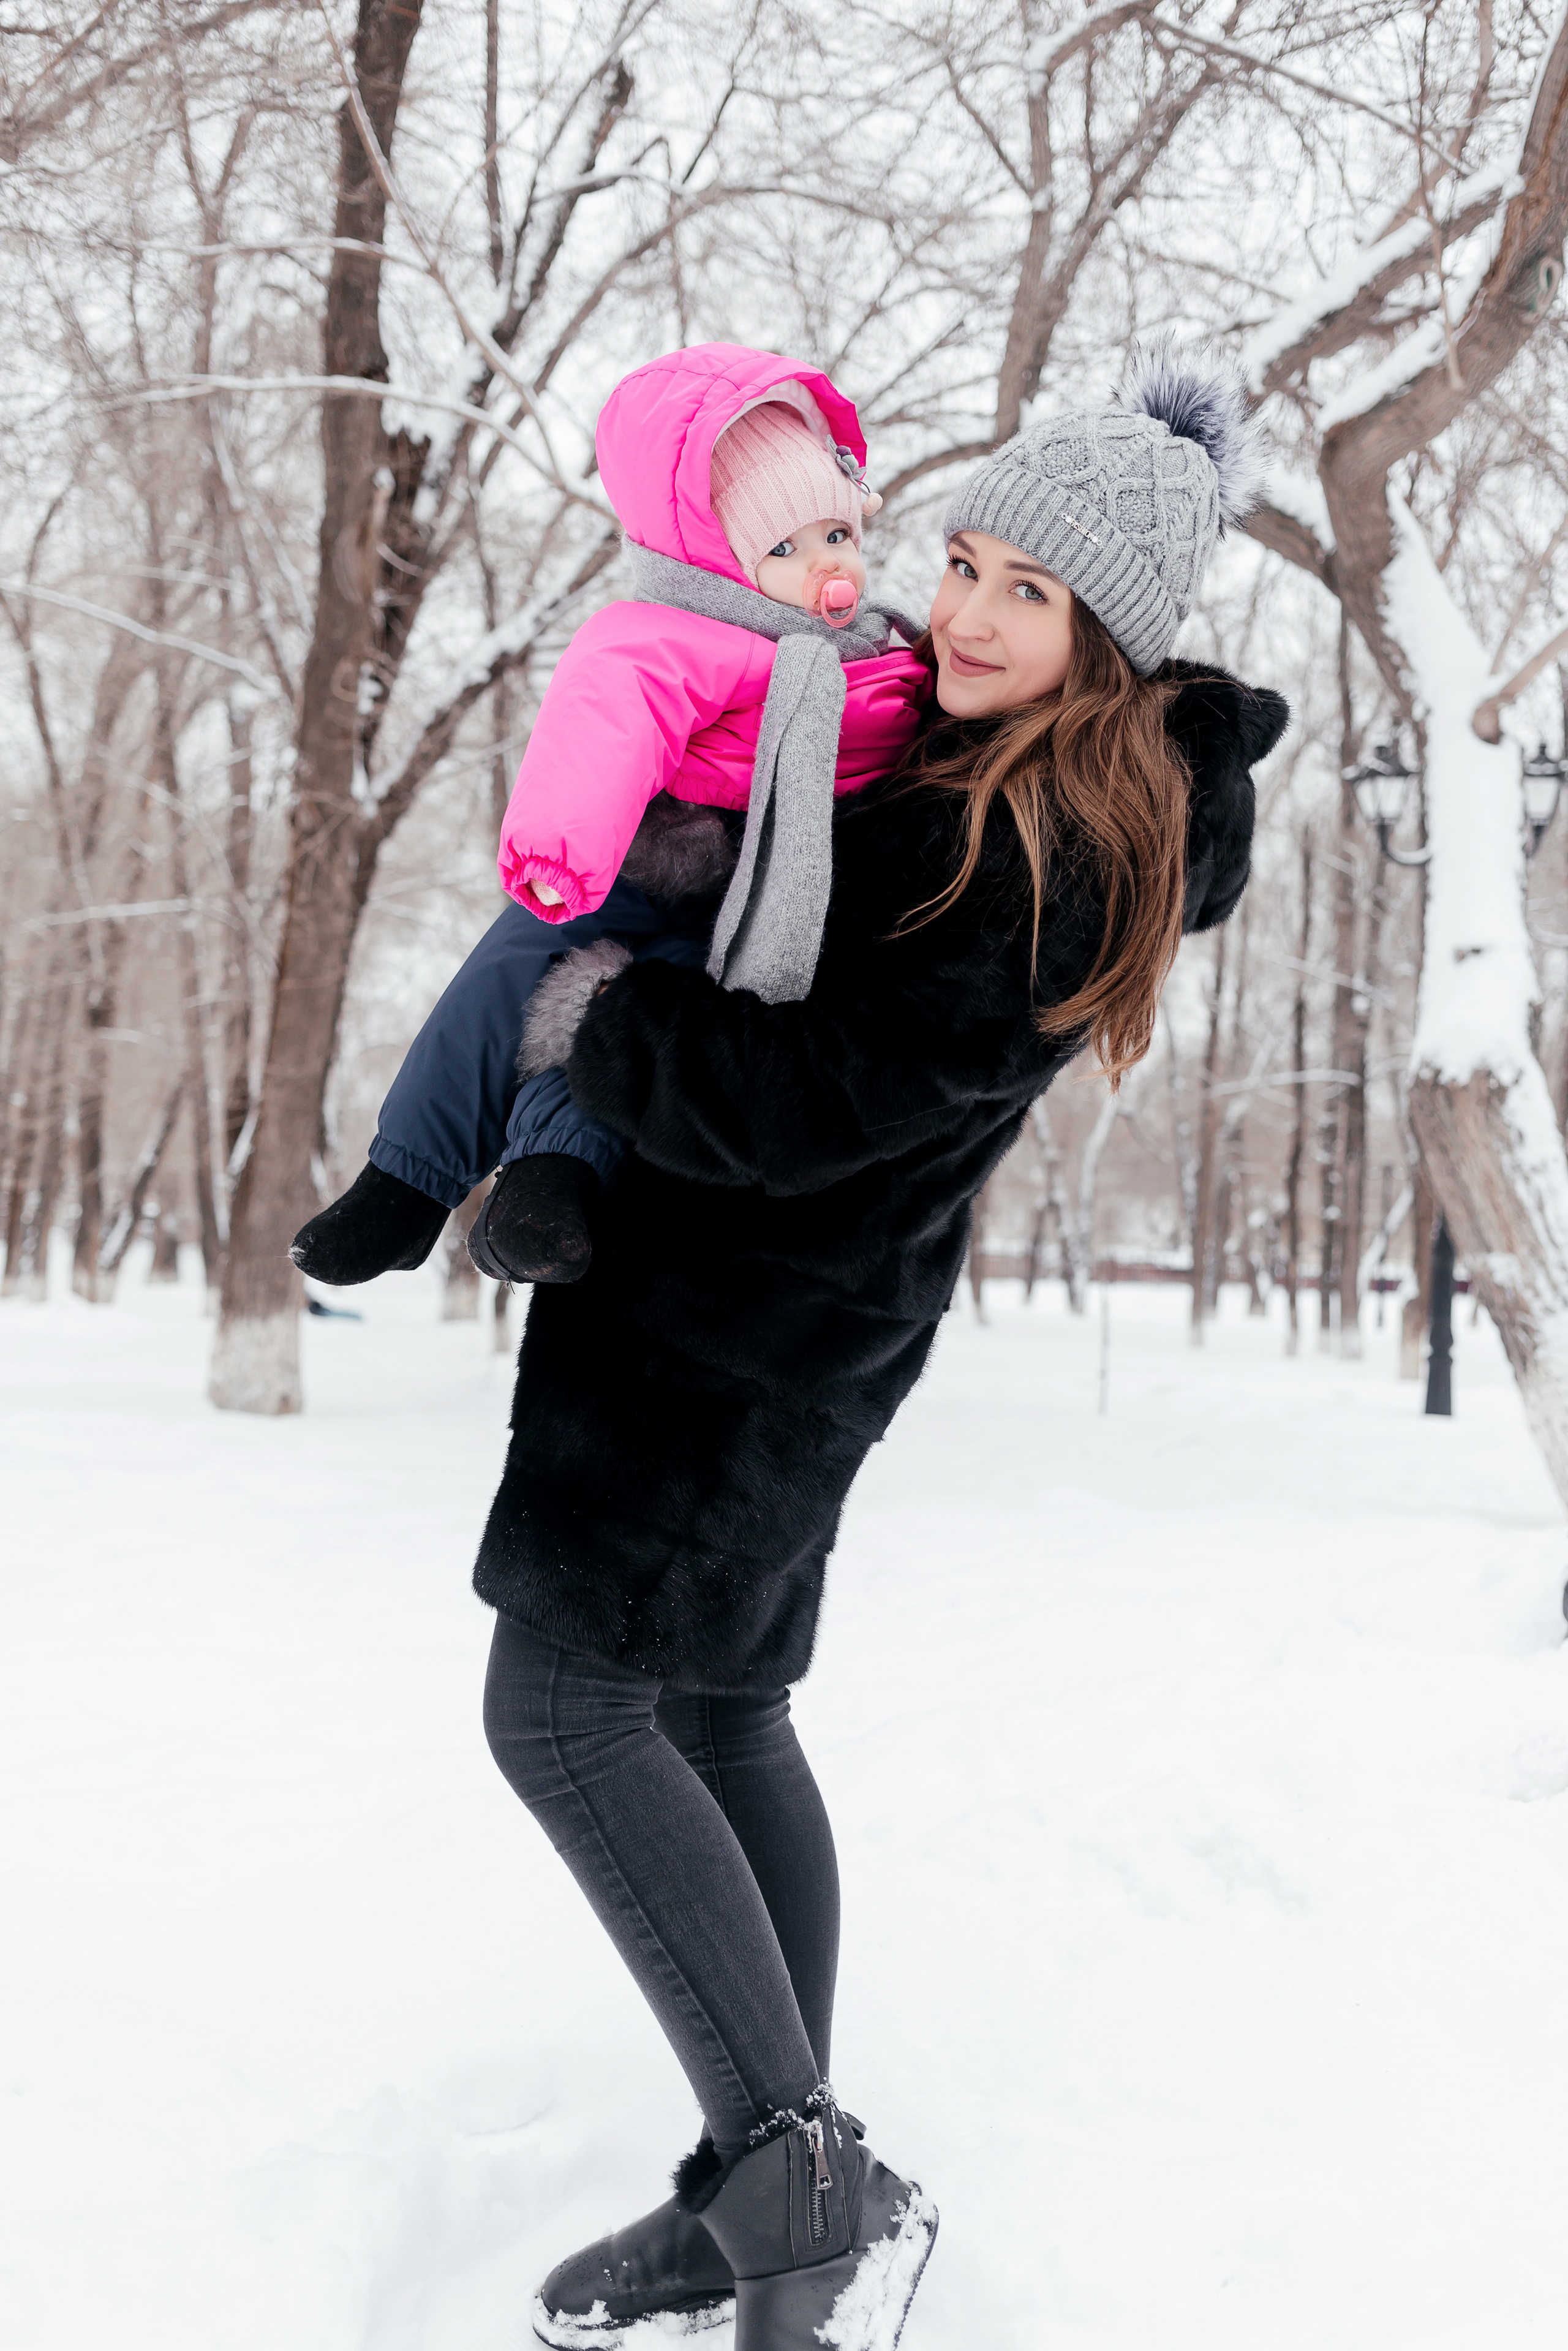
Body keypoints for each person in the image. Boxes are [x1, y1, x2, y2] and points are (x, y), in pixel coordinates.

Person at [338, 350, 1288, 2350]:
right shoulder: (966, 763)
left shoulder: (1052, 844)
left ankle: (791, 2177)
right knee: (714, 1715)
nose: (957, 607)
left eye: (1023, 590)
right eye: (960, 557)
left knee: (565, 1710)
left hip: (735, 1341)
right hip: (781, 1327)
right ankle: (759, 2178)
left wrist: (596, 1012)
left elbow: (807, 1090)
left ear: (1105, 639)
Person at [290, 342, 928, 1291]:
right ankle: (405, 1180)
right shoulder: (679, 632)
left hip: (756, 899)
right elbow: (607, 714)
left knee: (635, 1019)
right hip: (643, 858)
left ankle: (549, 1182)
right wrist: (562, 845)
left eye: (837, 535)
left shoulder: (888, 651)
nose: (825, 567)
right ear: (718, 557)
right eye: (785, 549)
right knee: (509, 968)